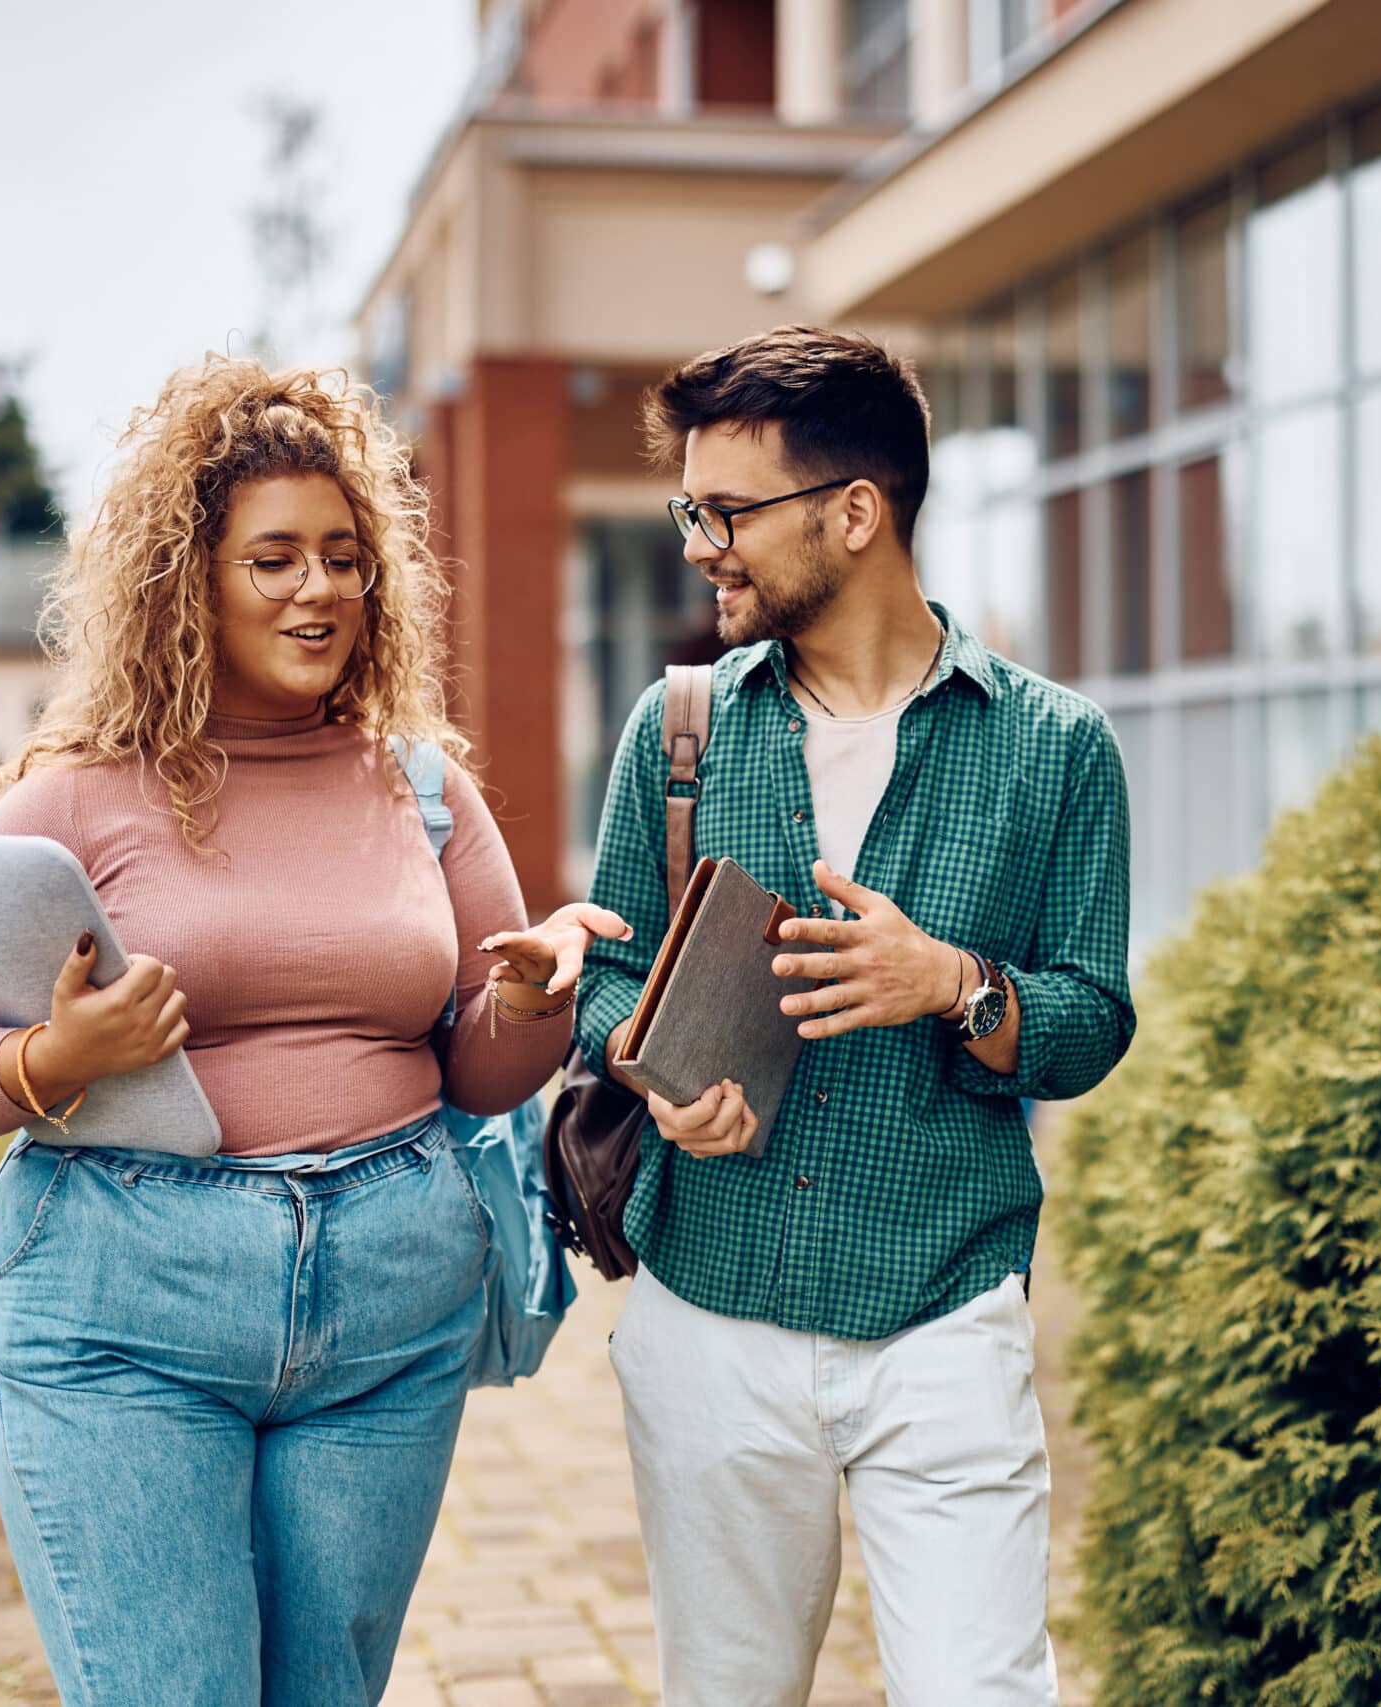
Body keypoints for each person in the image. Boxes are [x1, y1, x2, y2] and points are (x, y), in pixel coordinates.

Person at [0, 357, 626, 1706]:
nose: (320, 590)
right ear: (191, 578)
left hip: (389, 1304)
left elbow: (480, 1070)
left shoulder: (423, 786)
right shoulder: (81, 795)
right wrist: (57, 1059)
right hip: (126, 1302)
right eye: (274, 557)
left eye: (344, 558)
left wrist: (530, 1006)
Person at [576, 325, 1136, 1704]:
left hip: (943, 1317)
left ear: (855, 513)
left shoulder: (1055, 749)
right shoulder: (680, 729)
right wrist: (653, 1083)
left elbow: (1092, 1021)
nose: (703, 542)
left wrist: (955, 985)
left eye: (729, 511)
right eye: (690, 508)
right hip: (710, 1313)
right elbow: (606, 980)